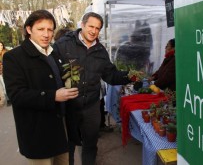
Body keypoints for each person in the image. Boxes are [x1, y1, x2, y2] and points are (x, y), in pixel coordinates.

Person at [53, 12, 133, 165]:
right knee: (67, 146)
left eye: (97, 28)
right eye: (91, 26)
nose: (93, 31)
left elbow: (110, 75)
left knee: (90, 144)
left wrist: (130, 76)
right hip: (68, 106)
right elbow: (51, 72)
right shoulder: (63, 45)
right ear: (82, 25)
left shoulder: (100, 51)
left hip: (91, 106)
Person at [2, 9, 79, 165]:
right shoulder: (14, 57)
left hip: (60, 129)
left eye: (50, 30)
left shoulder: (53, 54)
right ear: (29, 30)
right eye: (41, 29)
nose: (46, 34)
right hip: (38, 132)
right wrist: (53, 96)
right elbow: (16, 95)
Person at [0, 41, 8, 107]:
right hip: (0, 73)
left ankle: (8, 99)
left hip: (4, 73)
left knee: (5, 86)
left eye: (1, 45)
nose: (0, 47)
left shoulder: (5, 53)